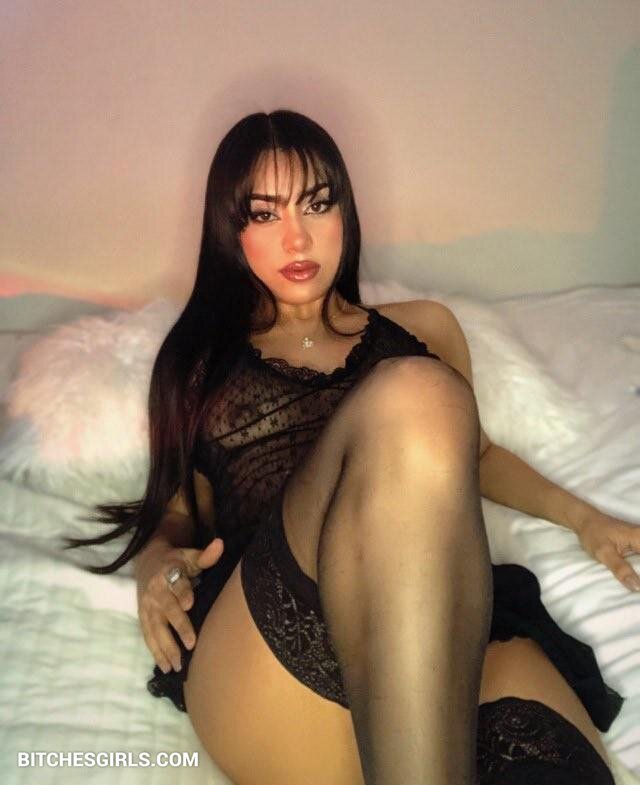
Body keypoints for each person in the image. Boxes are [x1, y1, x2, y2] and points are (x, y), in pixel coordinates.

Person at [66, 109, 639, 785]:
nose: (297, 236)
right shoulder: (199, 362)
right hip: (278, 647)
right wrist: (155, 568)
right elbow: (176, 514)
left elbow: (478, 456)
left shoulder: (426, 328)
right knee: (417, 392)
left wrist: (585, 519)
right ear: (230, 231)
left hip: (440, 627)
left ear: (346, 211)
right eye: (264, 214)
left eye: (317, 203)